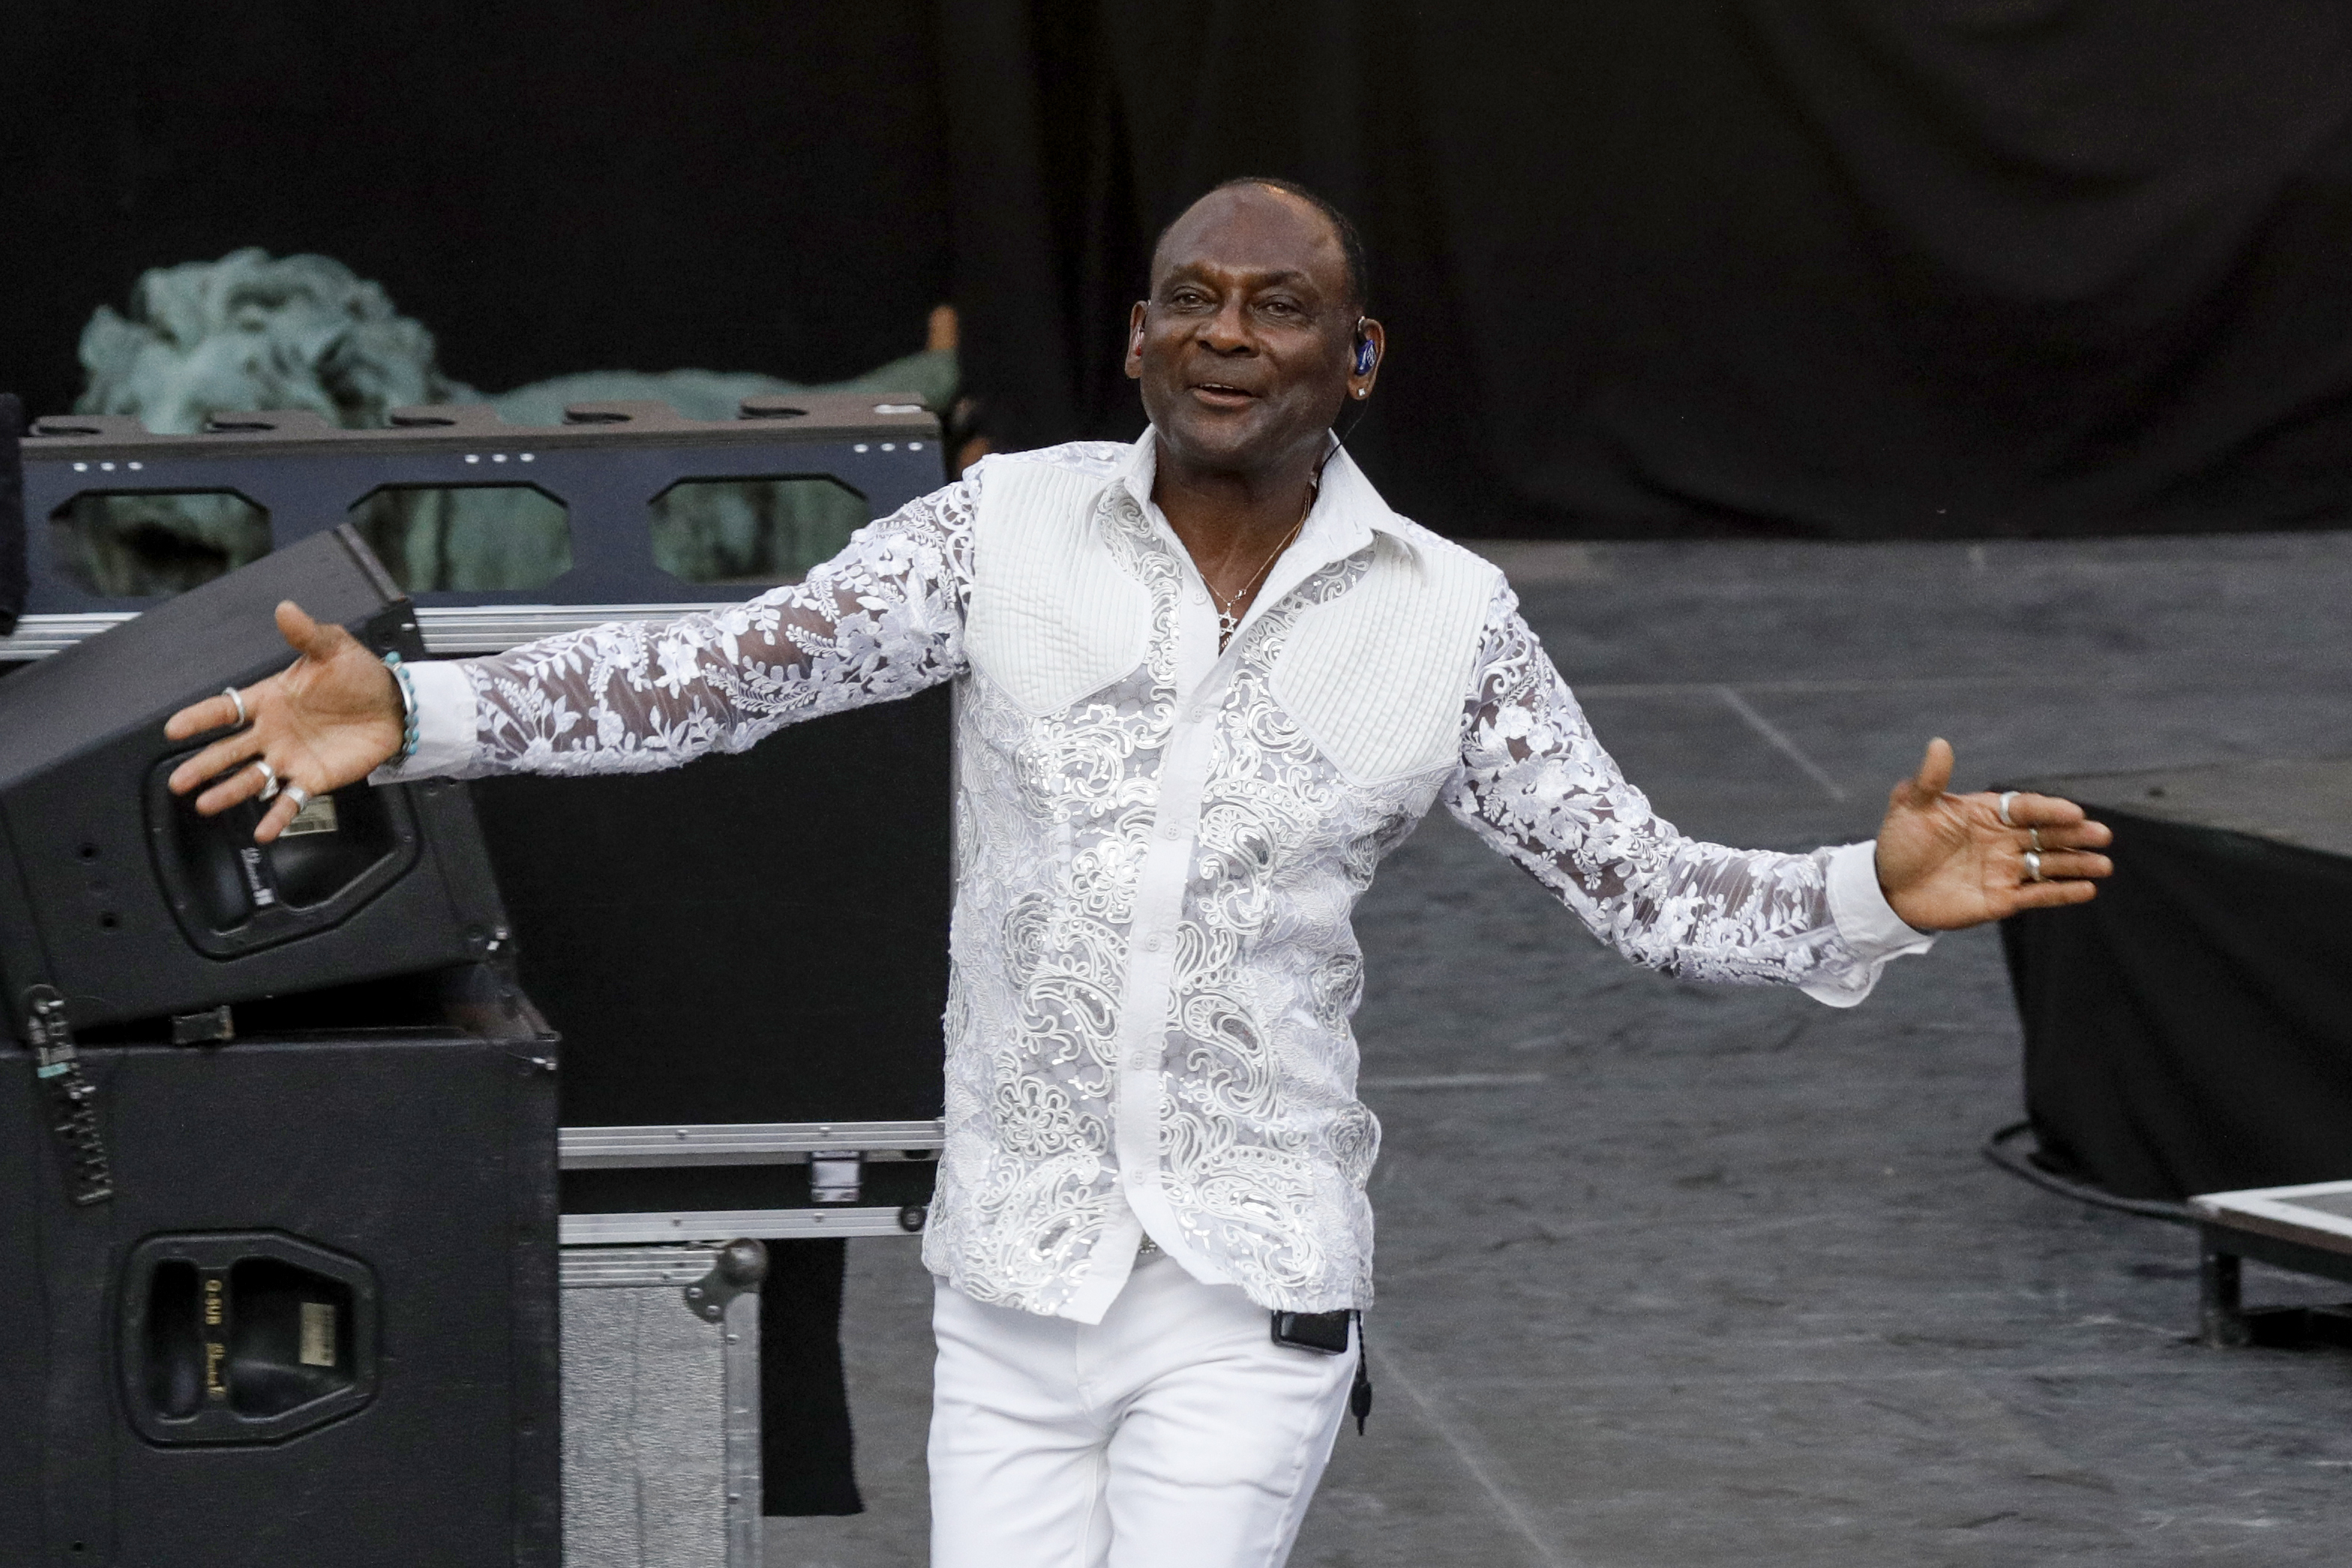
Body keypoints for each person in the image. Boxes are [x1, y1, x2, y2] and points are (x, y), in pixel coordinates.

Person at [164, 177, 2112, 1568]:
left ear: (1357, 355)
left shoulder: (1450, 622)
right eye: (1193, 297)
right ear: (1137, 335)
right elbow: (720, 674)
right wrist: (415, 709)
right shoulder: (997, 534)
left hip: (1251, 1287)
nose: (1228, 335)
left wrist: (1872, 891)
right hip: (1010, 1281)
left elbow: (1646, 891)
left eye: (1279, 307)